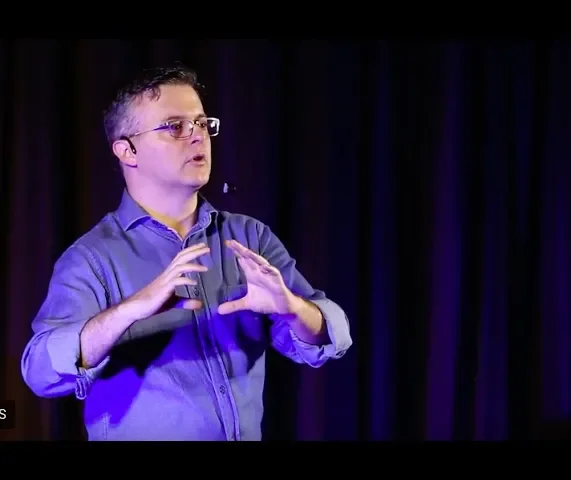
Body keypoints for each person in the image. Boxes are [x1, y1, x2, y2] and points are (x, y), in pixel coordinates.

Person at [20, 65, 352, 441]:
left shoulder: (248, 237)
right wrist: (131, 310)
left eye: (201, 123)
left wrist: (292, 308)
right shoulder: (91, 258)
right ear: (127, 151)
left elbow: (333, 335)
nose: (197, 136)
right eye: (175, 126)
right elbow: (39, 372)